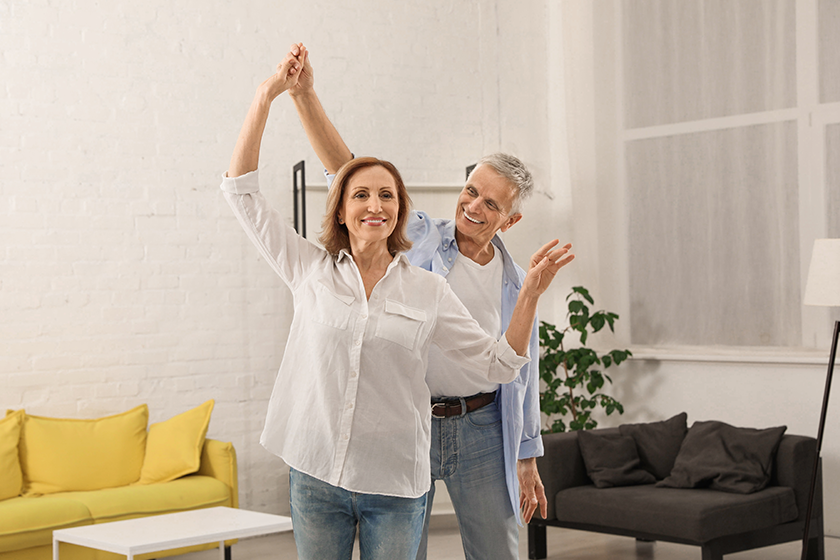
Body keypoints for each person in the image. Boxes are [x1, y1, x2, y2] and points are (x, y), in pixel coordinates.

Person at [220, 50, 574, 560]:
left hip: (476, 424)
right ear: (344, 208)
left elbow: (515, 367)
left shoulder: (483, 285)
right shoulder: (385, 246)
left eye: (491, 204)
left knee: (496, 550)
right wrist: (294, 94)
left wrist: (526, 453)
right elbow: (343, 170)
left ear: (509, 220)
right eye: (471, 191)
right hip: (398, 426)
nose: (474, 207)